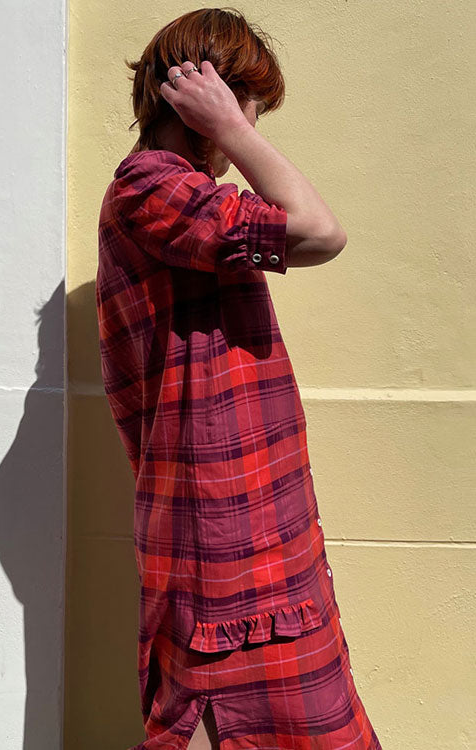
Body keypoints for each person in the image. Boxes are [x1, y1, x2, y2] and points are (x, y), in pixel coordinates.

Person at [95, 8, 383, 749]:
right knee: (223, 714)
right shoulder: (151, 186)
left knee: (290, 714)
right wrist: (233, 128)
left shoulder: (186, 193)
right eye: (250, 105)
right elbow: (320, 232)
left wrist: (229, 131)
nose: (248, 127)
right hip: (220, 529)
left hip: (251, 509)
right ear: (204, 99)